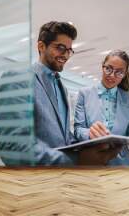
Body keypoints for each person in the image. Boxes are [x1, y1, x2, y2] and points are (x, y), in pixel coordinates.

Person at [30, 21, 122, 166]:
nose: (66, 55)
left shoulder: (62, 87)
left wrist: (92, 141)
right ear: (41, 46)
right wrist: (77, 160)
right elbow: (13, 147)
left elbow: (65, 137)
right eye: (60, 48)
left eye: (69, 50)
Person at [74, 50, 129, 166]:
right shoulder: (84, 94)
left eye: (119, 72)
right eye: (108, 69)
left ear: (124, 75)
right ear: (102, 67)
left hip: (122, 163)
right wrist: (90, 133)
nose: (112, 76)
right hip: (92, 160)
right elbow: (78, 130)